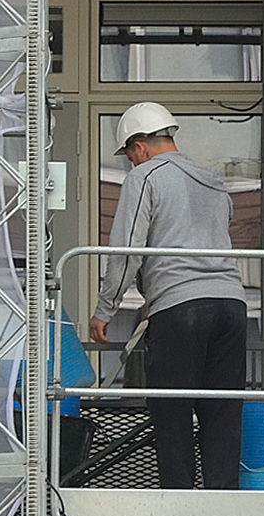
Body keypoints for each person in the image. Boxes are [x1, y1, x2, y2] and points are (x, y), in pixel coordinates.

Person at [90, 102, 246, 490]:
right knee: (222, 412)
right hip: (232, 303)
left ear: (139, 146)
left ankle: (178, 510)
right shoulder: (213, 180)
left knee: (171, 411)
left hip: (180, 307)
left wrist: (105, 309)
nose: (131, 162)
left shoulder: (145, 176)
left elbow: (127, 249)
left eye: (129, 155)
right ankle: (223, 510)